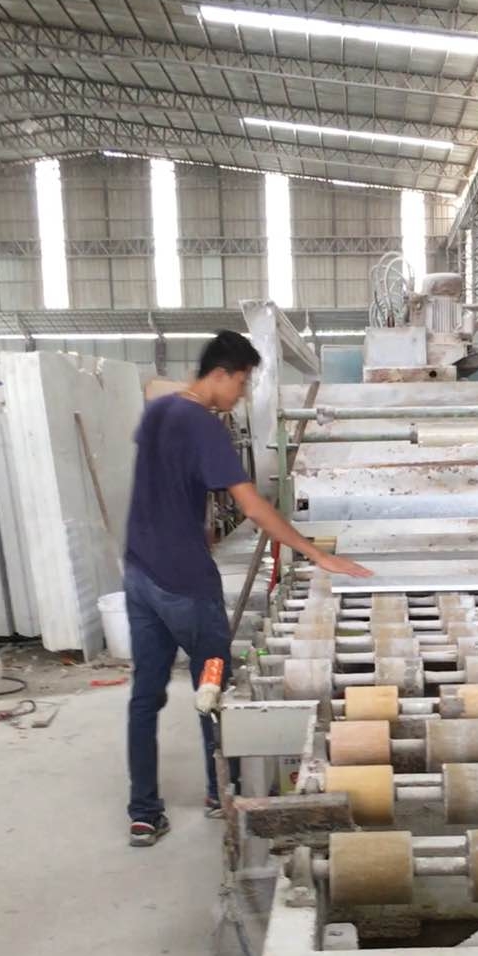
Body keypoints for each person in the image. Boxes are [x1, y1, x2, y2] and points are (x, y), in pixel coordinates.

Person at [124, 329, 372, 845]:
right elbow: (254, 507)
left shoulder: (159, 411)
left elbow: (159, 428)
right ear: (221, 374)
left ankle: (144, 813)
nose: (240, 395)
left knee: (145, 697)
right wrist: (316, 553)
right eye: (241, 383)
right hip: (186, 586)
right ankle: (224, 794)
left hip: (140, 576)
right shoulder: (204, 426)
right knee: (215, 689)